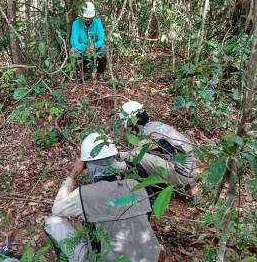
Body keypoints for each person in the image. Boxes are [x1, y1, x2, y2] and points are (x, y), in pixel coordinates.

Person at [45, 132, 161, 261]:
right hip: (148, 257)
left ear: (87, 165)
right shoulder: (138, 186)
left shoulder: (84, 194)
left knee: (52, 222)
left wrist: (72, 175)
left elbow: (57, 209)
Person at [118, 101, 200, 200]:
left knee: (134, 157)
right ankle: (190, 187)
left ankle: (149, 193)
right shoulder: (157, 125)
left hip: (181, 175)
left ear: (134, 124)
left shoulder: (145, 136)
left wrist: (118, 156)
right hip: (191, 169)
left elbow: (133, 156)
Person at [70, 1, 107, 83]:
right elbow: (74, 42)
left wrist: (94, 45)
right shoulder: (76, 24)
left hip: (95, 52)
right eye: (86, 18)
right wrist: (85, 47)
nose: (88, 20)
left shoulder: (97, 22)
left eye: (90, 18)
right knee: (73, 51)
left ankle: (100, 74)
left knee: (104, 49)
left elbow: (102, 40)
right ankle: (83, 74)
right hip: (83, 53)